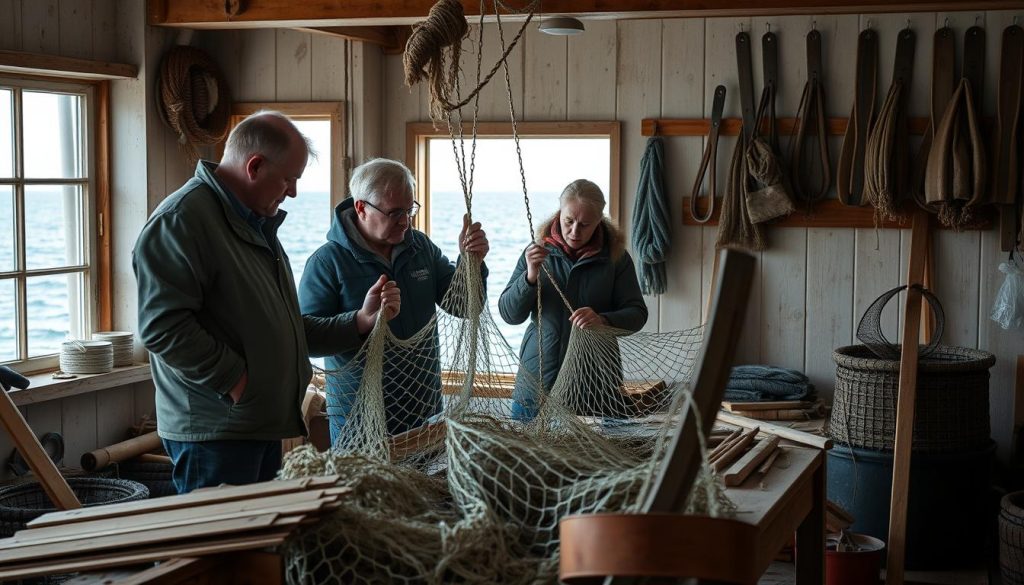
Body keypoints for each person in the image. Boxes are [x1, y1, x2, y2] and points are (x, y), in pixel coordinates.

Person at [133, 111, 400, 493]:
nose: (292, 192)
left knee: (253, 549)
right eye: (289, 179)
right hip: (217, 434)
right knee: (216, 551)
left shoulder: (252, 224)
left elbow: (286, 328)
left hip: (254, 423)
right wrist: (237, 382)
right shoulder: (182, 220)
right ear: (255, 166)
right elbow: (162, 327)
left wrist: (358, 321)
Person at [299, 158, 489, 442]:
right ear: (361, 208)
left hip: (425, 413)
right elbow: (307, 339)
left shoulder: (421, 247)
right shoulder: (327, 262)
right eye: (395, 212)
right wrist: (361, 320)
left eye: (410, 209)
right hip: (360, 422)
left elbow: (463, 306)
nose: (405, 221)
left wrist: (470, 262)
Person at [498, 179, 648, 420]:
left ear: (599, 221)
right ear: (559, 213)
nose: (575, 231)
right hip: (535, 386)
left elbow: (638, 314)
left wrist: (603, 320)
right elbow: (509, 314)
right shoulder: (535, 252)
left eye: (585, 224)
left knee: (591, 458)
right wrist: (530, 277)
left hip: (595, 389)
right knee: (525, 457)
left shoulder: (616, 258)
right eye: (569, 221)